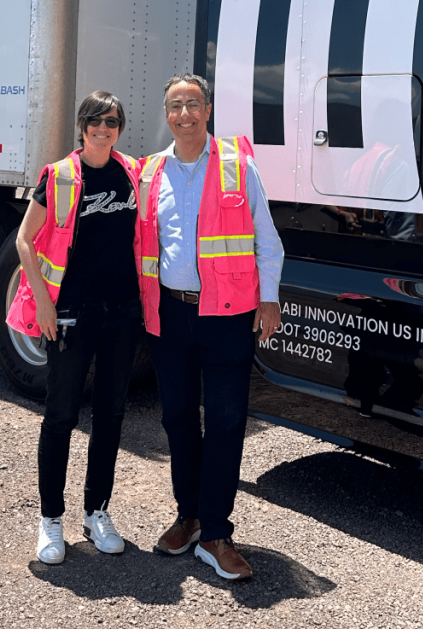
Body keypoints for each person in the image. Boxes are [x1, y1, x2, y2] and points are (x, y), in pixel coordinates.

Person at [137, 73, 283, 580]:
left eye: (193, 104)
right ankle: (190, 517)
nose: (184, 114)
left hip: (227, 315)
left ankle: (217, 533)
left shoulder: (238, 167)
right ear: (167, 113)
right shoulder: (150, 172)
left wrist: (269, 299)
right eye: (175, 105)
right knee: (177, 418)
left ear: (208, 109)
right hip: (170, 315)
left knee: (224, 421)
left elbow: (267, 239)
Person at [6, 91, 143, 565]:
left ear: (120, 128)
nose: (103, 129)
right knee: (61, 416)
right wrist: (43, 302)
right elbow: (25, 239)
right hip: (71, 312)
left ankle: (96, 512)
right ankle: (50, 519)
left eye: (112, 121)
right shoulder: (60, 176)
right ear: (82, 127)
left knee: (110, 415)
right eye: (95, 121)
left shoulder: (133, 173)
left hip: (122, 311)